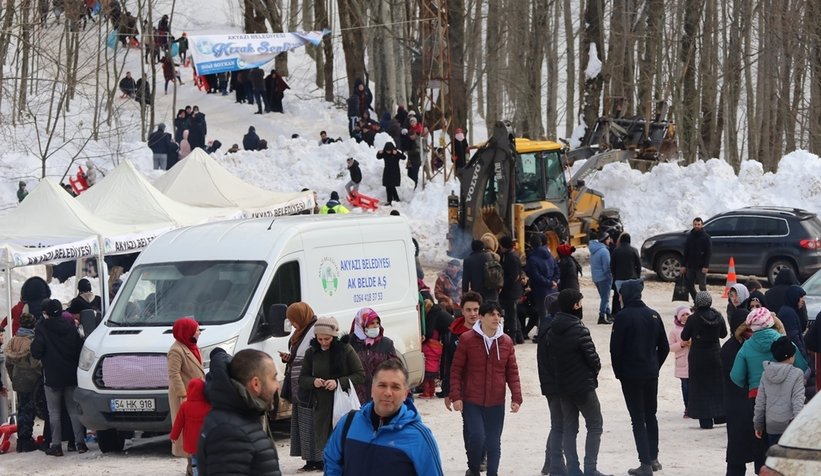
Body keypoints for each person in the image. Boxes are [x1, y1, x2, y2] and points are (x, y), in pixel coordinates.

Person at [324, 359, 444, 476]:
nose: (388, 392)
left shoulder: (419, 437)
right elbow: (332, 464)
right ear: (372, 389)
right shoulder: (348, 423)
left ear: (405, 394)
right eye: (382, 385)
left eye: (395, 387)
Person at [449, 301, 522, 476]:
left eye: (498, 314)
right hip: (472, 400)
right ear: (481, 317)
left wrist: (516, 397)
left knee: (493, 442)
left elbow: (512, 372)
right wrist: (456, 396)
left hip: (496, 401)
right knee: (477, 437)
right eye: (491, 314)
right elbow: (456, 369)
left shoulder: (506, 342)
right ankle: (473, 470)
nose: (496, 318)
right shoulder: (467, 339)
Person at [547, 289, 610, 476]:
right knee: (595, 424)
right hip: (583, 387)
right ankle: (590, 468)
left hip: (563, 387)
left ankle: (573, 469)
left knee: (569, 428)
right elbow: (593, 359)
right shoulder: (579, 328)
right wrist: (593, 372)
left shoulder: (553, 329)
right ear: (575, 305)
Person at [610, 280, 668, 476]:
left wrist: (619, 372)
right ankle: (653, 458)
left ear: (626, 295)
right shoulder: (653, 315)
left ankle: (644, 463)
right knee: (651, 415)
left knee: (638, 418)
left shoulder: (622, 317)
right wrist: (655, 365)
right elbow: (665, 346)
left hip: (631, 375)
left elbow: (615, 350)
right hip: (651, 373)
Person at [197, 348, 281, 476]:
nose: (277, 385)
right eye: (273, 378)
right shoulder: (229, 431)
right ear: (256, 384)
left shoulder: (242, 417)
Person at [298, 316, 365, 472]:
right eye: (319, 338)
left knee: (343, 440)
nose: (323, 342)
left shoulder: (345, 349)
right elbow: (302, 378)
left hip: (342, 404)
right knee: (327, 445)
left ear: (334, 336)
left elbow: (360, 374)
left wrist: (338, 382)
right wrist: (313, 381)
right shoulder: (311, 352)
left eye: (327, 338)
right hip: (321, 407)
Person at [31, 299, 86, 456]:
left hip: (52, 376)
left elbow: (36, 351)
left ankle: (56, 445)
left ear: (46, 313)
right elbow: (79, 348)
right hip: (70, 375)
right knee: (74, 410)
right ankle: (80, 443)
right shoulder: (70, 327)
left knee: (54, 412)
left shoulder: (42, 328)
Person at [721, 292, 768, 476]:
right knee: (739, 456)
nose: (750, 331)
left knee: (753, 455)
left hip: (746, 407)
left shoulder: (735, 347)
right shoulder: (735, 349)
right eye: (746, 328)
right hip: (741, 407)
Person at [441, 292, 483, 468]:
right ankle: (473, 459)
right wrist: (448, 391)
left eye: (476, 310)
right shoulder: (453, 335)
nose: (473, 313)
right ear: (462, 311)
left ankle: (483, 457)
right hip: (464, 389)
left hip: (486, 387)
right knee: (470, 427)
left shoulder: (489, 331)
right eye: (469, 310)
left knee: (486, 426)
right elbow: (447, 363)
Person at [281, 302, 321, 470]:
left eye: (294, 319)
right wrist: (290, 358)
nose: (292, 324)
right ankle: (309, 460)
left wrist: (295, 360)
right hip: (299, 386)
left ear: (301, 317)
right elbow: (300, 354)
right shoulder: (301, 332)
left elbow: (316, 356)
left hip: (310, 386)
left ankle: (318, 460)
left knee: (312, 423)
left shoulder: (315, 330)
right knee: (302, 423)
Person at [681, 291, 727, 429]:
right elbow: (723, 334)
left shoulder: (693, 319)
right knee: (717, 386)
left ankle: (705, 421)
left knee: (701, 388)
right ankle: (720, 416)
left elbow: (684, 336)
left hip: (698, 356)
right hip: (715, 354)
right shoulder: (718, 316)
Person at [753, 336, 805, 447]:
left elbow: (760, 402)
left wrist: (758, 425)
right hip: (789, 424)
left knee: (775, 459)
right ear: (791, 356)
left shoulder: (766, 373)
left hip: (772, 425)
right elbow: (798, 402)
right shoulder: (797, 374)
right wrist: (800, 426)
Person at [167, 317, 205, 468]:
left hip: (196, 395)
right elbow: (174, 374)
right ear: (187, 332)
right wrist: (183, 396)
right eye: (197, 330)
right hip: (185, 396)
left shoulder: (193, 347)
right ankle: (191, 466)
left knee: (195, 431)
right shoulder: (176, 350)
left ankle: (192, 466)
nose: (199, 333)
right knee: (188, 433)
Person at [536, 296, 566, 476]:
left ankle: (550, 461)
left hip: (552, 384)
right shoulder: (552, 329)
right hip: (555, 385)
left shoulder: (547, 325)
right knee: (559, 424)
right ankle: (554, 462)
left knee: (558, 423)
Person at [4, 312, 42, 452]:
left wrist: (13, 377)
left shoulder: (13, 340)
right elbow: (35, 364)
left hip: (18, 379)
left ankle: (21, 440)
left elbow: (8, 363)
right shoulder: (31, 341)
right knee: (29, 410)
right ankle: (26, 441)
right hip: (31, 380)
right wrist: (41, 374)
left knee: (21, 409)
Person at [348, 307, 397, 403]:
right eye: (372, 323)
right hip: (356, 396)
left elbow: (395, 368)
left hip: (379, 395)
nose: (375, 326)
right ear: (362, 324)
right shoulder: (350, 343)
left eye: (377, 323)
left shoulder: (386, 344)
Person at [170, 378, 210, 476]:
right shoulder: (208, 406)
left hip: (191, 442)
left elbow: (178, 423)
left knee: (195, 462)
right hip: (205, 442)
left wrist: (173, 436)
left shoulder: (185, 406)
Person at [524, 234, 559, 334]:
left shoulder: (532, 259)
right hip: (553, 290)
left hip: (541, 291)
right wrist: (554, 282)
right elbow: (557, 269)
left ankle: (543, 334)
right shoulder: (550, 255)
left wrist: (549, 283)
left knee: (543, 314)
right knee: (553, 313)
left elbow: (536, 276)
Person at [420, 299, 453, 398]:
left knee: (447, 362)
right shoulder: (438, 310)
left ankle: (446, 390)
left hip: (449, 334)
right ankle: (445, 389)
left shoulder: (432, 313)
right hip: (450, 333)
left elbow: (429, 332)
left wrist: (422, 342)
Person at [499, 236, 524, 343]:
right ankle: (519, 337)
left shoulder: (511, 257)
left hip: (511, 292)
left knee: (511, 315)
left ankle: (513, 338)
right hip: (511, 291)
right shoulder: (508, 256)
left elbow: (514, 276)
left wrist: (502, 285)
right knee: (512, 314)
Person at [680, 217, 712, 301]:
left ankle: (706, 303)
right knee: (689, 285)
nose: (697, 226)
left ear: (702, 225)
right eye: (695, 224)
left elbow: (708, 253)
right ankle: (697, 302)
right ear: (693, 225)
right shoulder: (690, 236)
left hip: (701, 266)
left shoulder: (706, 237)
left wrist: (706, 266)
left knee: (702, 286)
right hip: (690, 266)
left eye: (698, 224)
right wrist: (683, 265)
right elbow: (686, 251)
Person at [668, 305, 692, 417]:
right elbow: (670, 347)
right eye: (683, 315)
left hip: (694, 361)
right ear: (678, 317)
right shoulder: (674, 331)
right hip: (682, 362)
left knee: (694, 386)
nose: (685, 317)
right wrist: (681, 344)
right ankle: (687, 407)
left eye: (687, 314)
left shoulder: (694, 327)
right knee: (685, 387)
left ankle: (694, 407)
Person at [462, 238, 501, 304]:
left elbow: (465, 279)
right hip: (492, 290)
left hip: (477, 291)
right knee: (492, 310)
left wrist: (465, 293)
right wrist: (499, 286)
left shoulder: (468, 260)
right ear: (483, 247)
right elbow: (498, 272)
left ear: (472, 248)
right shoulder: (491, 256)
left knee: (480, 310)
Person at [776, 285, 809, 361]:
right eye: (800, 297)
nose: (802, 300)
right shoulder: (788, 313)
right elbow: (794, 339)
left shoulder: (789, 310)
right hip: (794, 357)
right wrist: (805, 358)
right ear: (793, 297)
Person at [610, 232, 641, 309]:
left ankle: (623, 312)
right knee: (631, 298)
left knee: (621, 299)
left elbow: (612, 266)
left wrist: (615, 276)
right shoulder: (634, 250)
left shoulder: (616, 250)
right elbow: (639, 265)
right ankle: (630, 313)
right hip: (632, 278)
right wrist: (637, 276)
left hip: (619, 279)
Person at [589, 232, 613, 325]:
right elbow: (607, 267)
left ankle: (608, 313)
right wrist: (610, 276)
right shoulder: (604, 251)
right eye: (608, 239)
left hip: (596, 277)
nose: (609, 241)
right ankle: (602, 316)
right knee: (605, 298)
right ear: (605, 240)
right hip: (604, 278)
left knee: (604, 297)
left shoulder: (594, 249)